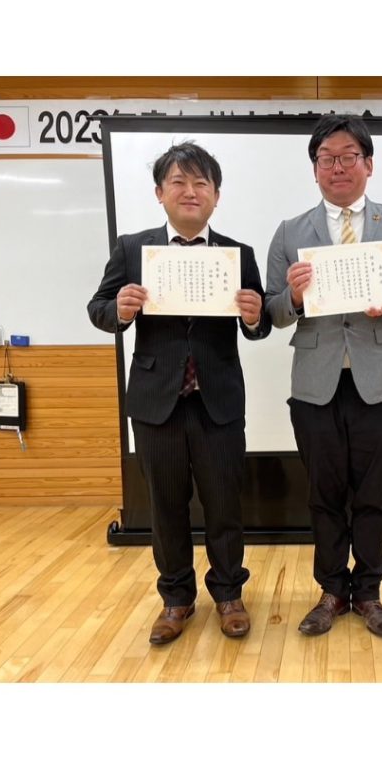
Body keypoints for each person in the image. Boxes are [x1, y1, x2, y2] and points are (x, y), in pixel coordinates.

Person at [87, 141, 271, 644]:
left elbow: (259, 326)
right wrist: (120, 309)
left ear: (216, 195)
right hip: (156, 402)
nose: (191, 191)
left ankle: (229, 594)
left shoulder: (238, 254)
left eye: (201, 183)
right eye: (179, 182)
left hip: (218, 401)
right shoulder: (133, 249)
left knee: (224, 504)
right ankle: (176, 599)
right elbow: (98, 309)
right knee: (165, 506)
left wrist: (255, 316)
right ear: (159, 193)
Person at [265, 114, 382, 638]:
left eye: (348, 157)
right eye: (326, 159)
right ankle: (332, 590)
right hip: (314, 383)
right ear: (315, 169)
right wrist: (293, 297)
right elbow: (271, 311)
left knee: (373, 495)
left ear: (368, 164)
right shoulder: (291, 231)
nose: (337, 167)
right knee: (324, 494)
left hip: (375, 380)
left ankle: (369, 593)